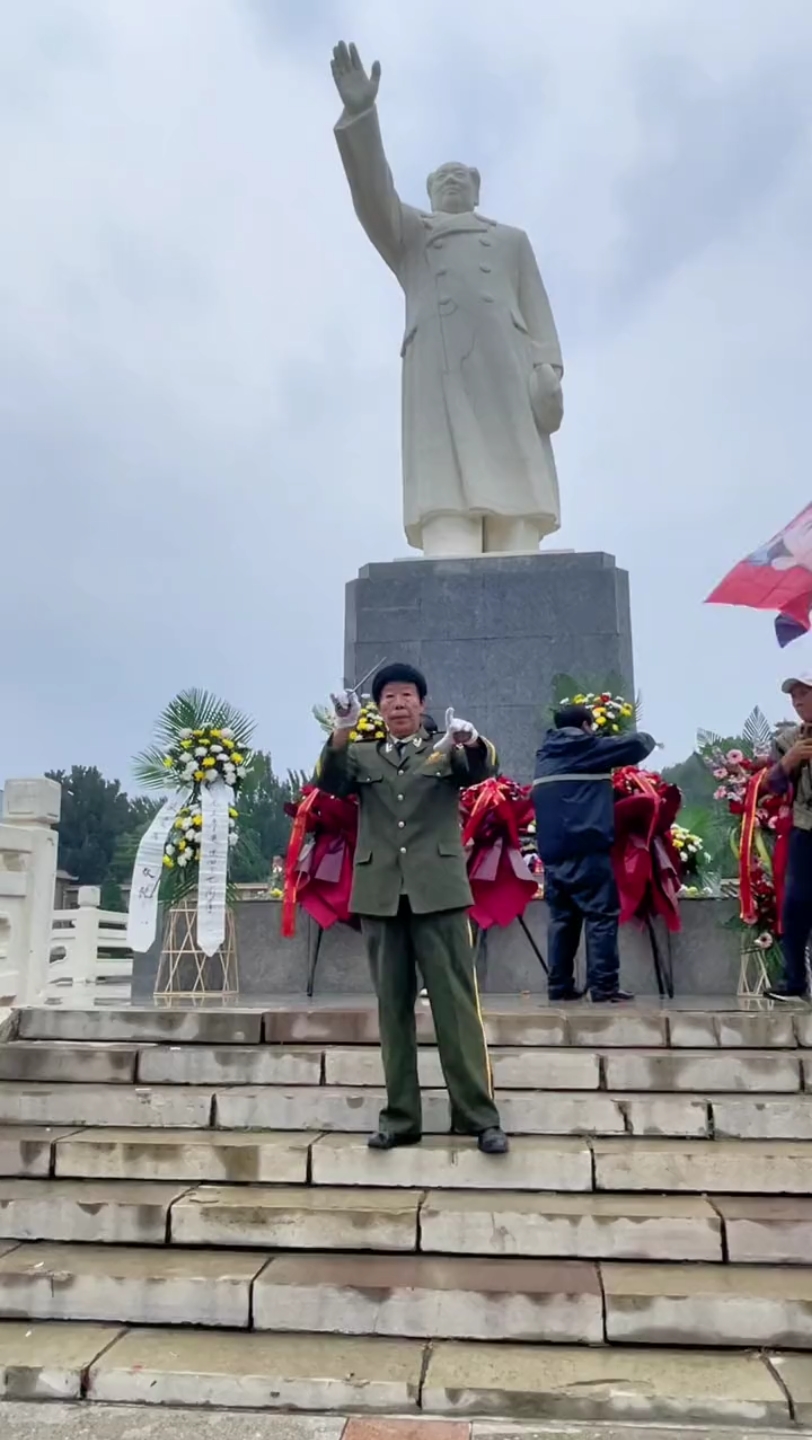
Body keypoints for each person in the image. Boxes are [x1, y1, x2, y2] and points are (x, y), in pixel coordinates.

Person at [330, 40, 564, 558]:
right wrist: (361, 114)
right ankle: (449, 541)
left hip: (505, 370)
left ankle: (514, 541)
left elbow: (538, 310)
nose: (452, 180)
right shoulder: (412, 235)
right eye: (442, 178)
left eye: (462, 176)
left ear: (477, 191)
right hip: (440, 372)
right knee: (448, 511)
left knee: (514, 506)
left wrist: (548, 368)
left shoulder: (510, 240)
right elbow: (373, 197)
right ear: (430, 193)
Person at [315, 661, 508, 1154]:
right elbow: (331, 780)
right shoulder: (362, 754)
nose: (398, 705)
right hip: (382, 895)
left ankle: (478, 1117)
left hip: (439, 894)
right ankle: (401, 1118)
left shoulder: (443, 749)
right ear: (377, 709)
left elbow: (482, 768)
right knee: (392, 1011)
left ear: (422, 704)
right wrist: (341, 728)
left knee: (457, 1008)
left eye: (406, 697)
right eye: (389, 698)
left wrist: (469, 740)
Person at [533, 704, 657, 1003]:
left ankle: (559, 986)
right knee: (601, 916)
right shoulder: (587, 747)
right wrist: (602, 738)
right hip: (587, 848)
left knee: (562, 920)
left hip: (552, 853)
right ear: (587, 725)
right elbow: (643, 743)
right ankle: (604, 986)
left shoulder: (544, 754)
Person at [763, 668, 812, 1001]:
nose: (797, 702)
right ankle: (794, 981)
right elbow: (770, 786)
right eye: (793, 696)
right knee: (796, 905)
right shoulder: (788, 740)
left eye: (804, 694)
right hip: (805, 827)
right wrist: (788, 764)